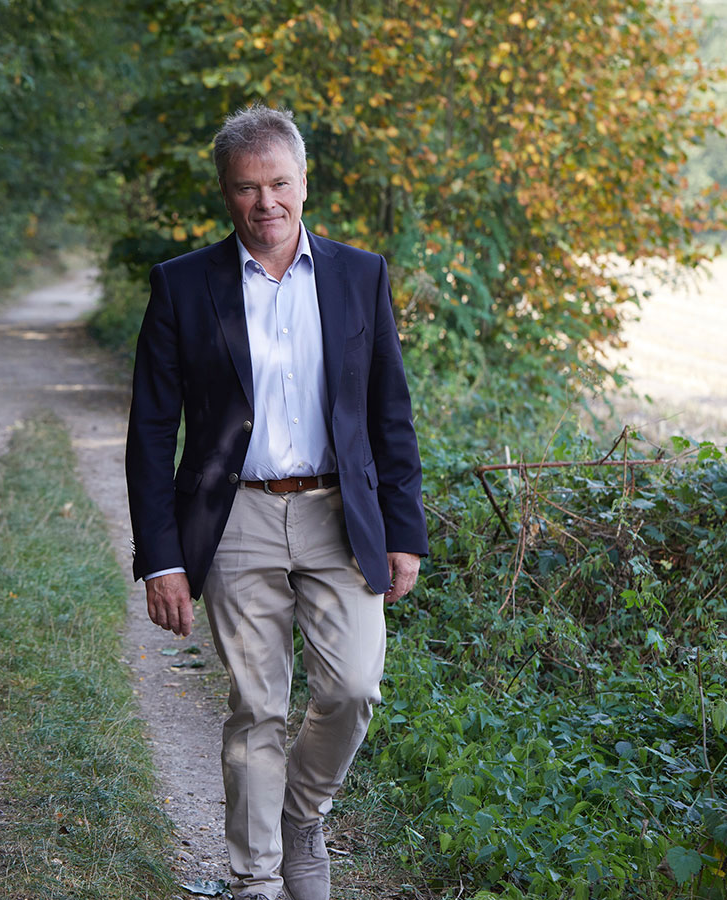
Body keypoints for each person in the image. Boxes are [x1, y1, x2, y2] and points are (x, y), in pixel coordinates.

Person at [125, 104, 429, 900]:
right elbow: (152, 432)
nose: (266, 203)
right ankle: (256, 877)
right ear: (225, 193)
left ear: (304, 183)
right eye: (246, 188)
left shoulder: (361, 275)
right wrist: (161, 557)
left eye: (280, 184)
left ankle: (301, 815)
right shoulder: (182, 286)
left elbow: (388, 410)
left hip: (340, 516)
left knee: (354, 687)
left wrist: (405, 532)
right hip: (237, 516)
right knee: (257, 705)